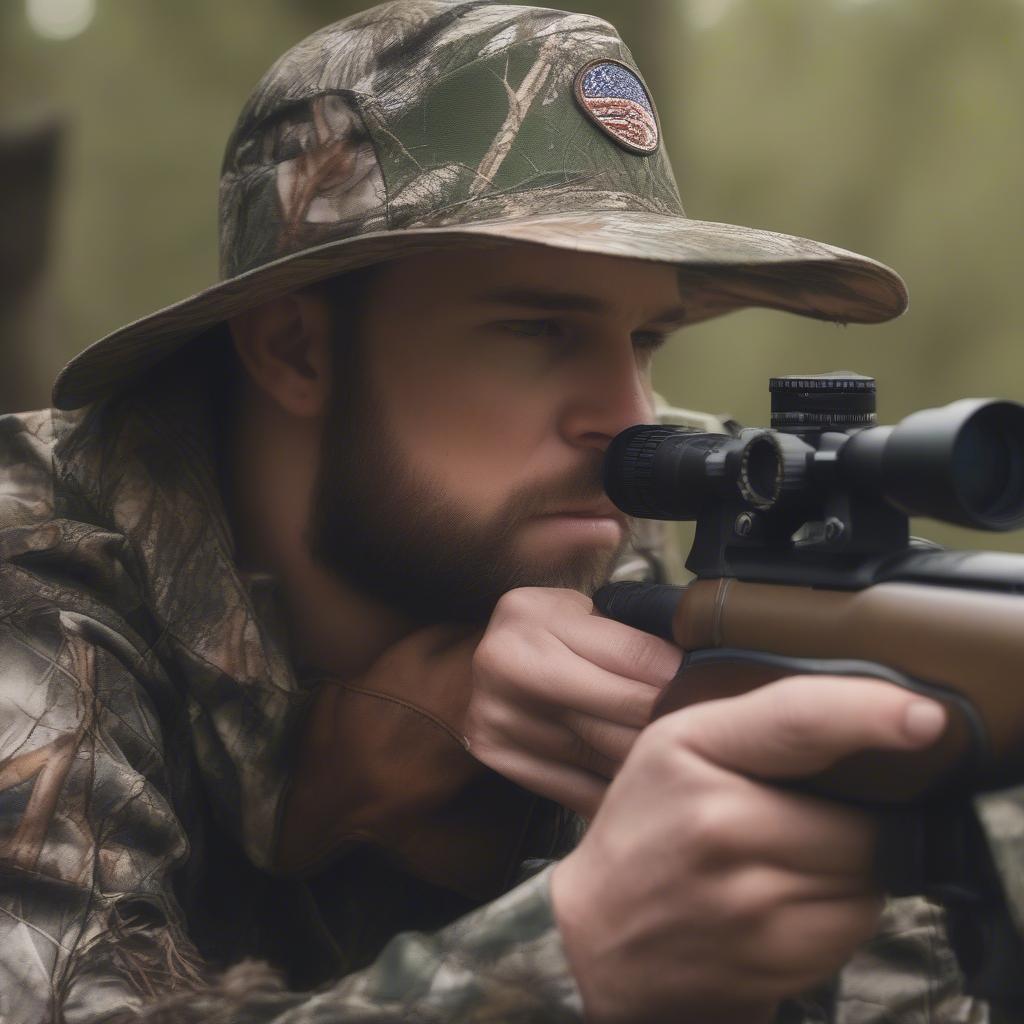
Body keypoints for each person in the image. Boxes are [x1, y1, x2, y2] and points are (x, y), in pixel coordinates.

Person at [1, 2, 1018, 1021]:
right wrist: (573, 951)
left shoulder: (692, 532)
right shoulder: (36, 551)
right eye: (537, 330)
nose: (628, 418)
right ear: (294, 351)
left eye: (645, 341)